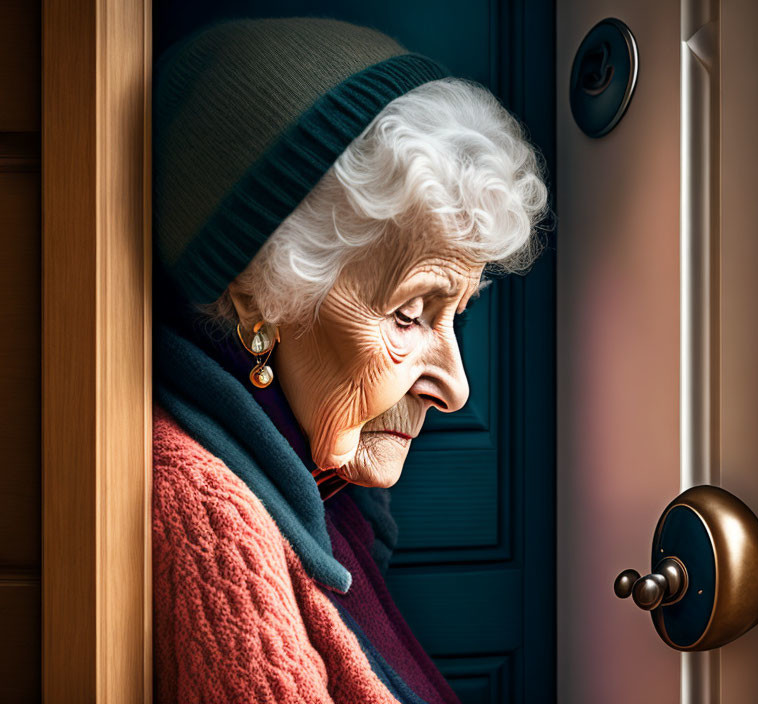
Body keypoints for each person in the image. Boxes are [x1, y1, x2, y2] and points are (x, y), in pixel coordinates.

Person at [151, 15, 549, 703]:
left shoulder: (328, 504)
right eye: (408, 312)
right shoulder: (210, 514)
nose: (455, 387)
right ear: (258, 301)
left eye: (456, 313)